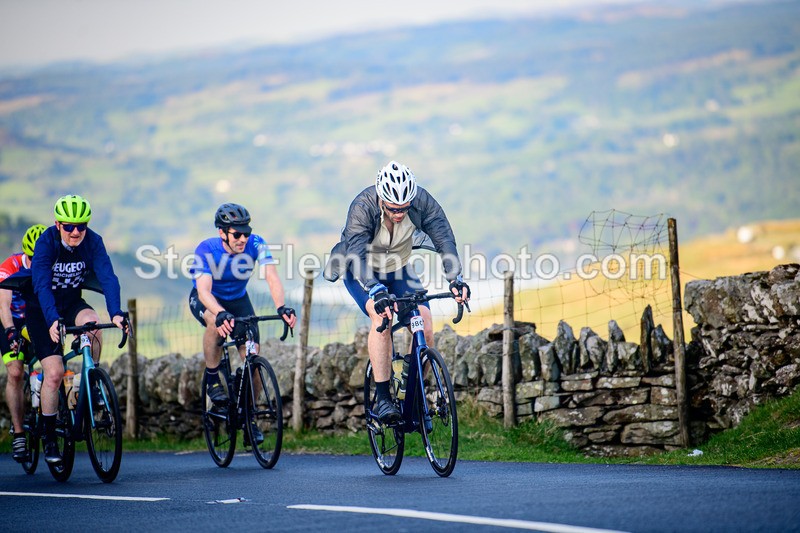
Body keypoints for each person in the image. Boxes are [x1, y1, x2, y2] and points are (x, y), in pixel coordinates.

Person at [323, 160, 470, 423]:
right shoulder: (362, 207)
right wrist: (376, 291)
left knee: (424, 323)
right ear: (381, 199)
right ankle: (382, 399)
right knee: (382, 318)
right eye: (393, 209)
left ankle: (414, 392)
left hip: (399, 268)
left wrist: (455, 278)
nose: (400, 214)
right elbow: (356, 255)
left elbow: (444, 239)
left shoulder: (422, 201)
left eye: (404, 208)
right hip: (361, 271)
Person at [27, 195, 128, 465]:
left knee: (93, 325)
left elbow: (108, 276)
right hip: (41, 310)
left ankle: (91, 377)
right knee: (55, 372)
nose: (75, 232)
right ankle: (49, 435)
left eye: (81, 226)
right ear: (58, 223)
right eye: (70, 226)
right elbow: (41, 286)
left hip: (72, 303)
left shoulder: (93, 241)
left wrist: (116, 312)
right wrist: (51, 320)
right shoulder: (46, 243)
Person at [188, 203, 296, 441]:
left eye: (246, 232)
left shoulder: (256, 243)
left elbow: (271, 276)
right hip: (207, 299)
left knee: (253, 360)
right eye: (237, 234)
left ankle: (249, 419)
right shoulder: (206, 249)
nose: (243, 238)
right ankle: (213, 377)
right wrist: (219, 313)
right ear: (222, 232)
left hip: (238, 300)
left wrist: (281, 307)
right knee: (214, 324)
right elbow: (204, 291)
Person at [0, 224, 46, 462]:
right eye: (32, 258)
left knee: (51, 363)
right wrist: (9, 332)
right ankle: (19, 432)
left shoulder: (50, 265)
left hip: (36, 319)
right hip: (12, 321)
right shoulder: (11, 266)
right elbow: (3, 304)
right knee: (16, 372)